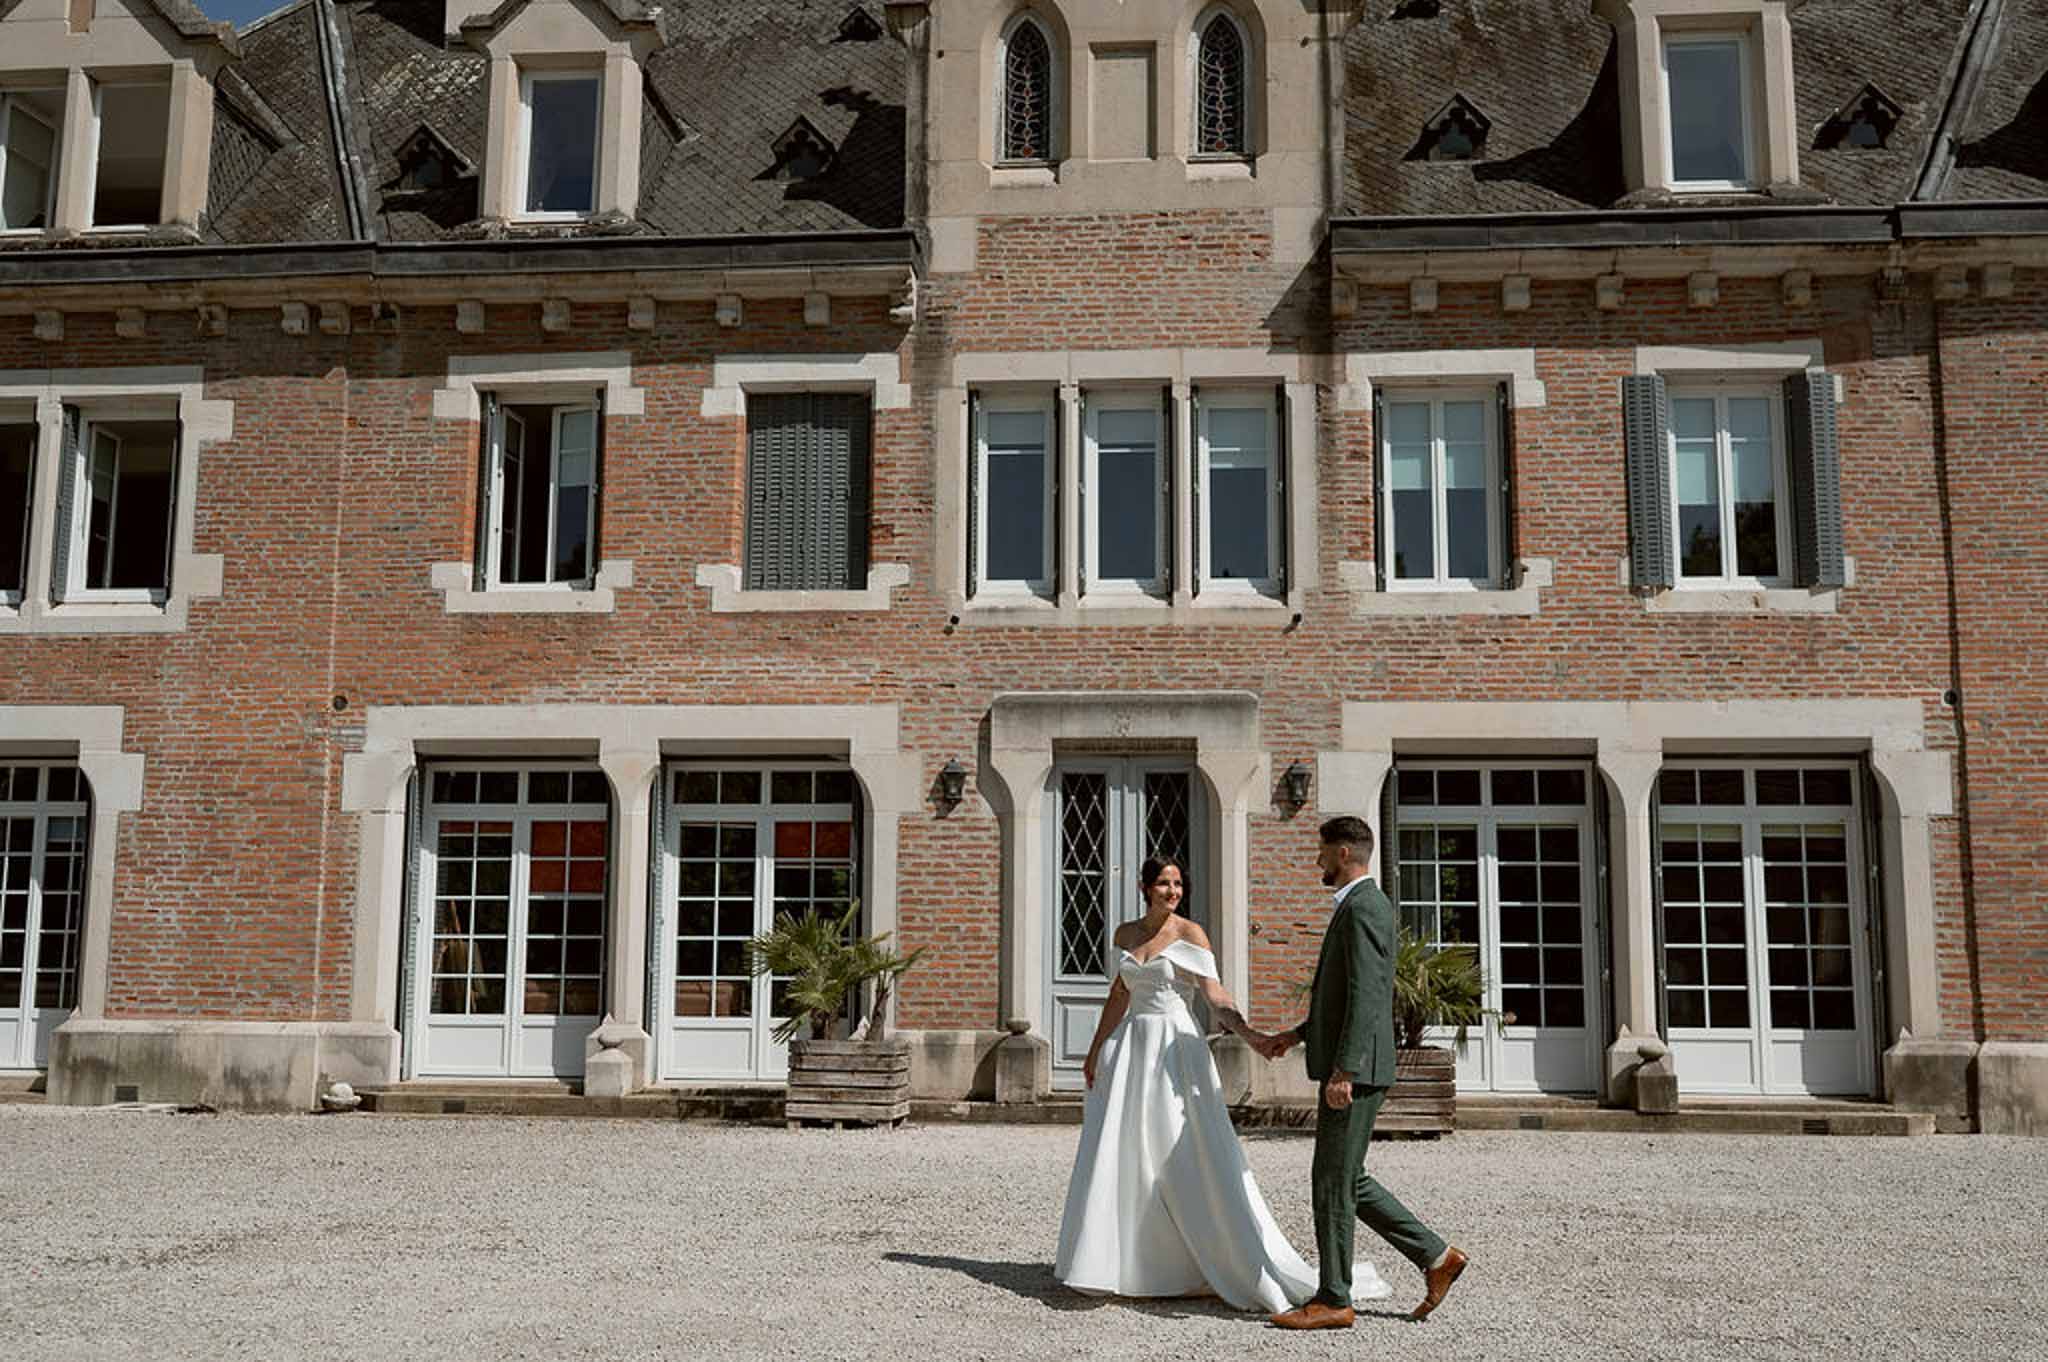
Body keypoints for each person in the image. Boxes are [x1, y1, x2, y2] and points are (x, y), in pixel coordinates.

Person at [1053, 855, 1391, 1313]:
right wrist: (1095, 1052)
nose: (1172, 891)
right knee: (1126, 1151)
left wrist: (1253, 1038)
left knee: (1182, 1153)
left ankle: (1203, 1257)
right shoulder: (1125, 935)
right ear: (1144, 887)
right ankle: (1130, 1260)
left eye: (1177, 884)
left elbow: (1216, 997)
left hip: (1177, 1054)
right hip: (1132, 1051)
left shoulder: (1191, 934)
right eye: (1163, 883)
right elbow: (1119, 995)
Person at [1255, 815, 1469, 1331]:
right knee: (1348, 1178)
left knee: (1331, 1181)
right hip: (1352, 1062)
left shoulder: (1365, 907)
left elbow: (1370, 997)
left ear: (1346, 853)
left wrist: (1344, 1070)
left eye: (1323, 852)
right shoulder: (1355, 906)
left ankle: (1334, 1297)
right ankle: (1437, 1257)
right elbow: (1343, 995)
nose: (1318, 861)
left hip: (1357, 1069)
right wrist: (1299, 1034)